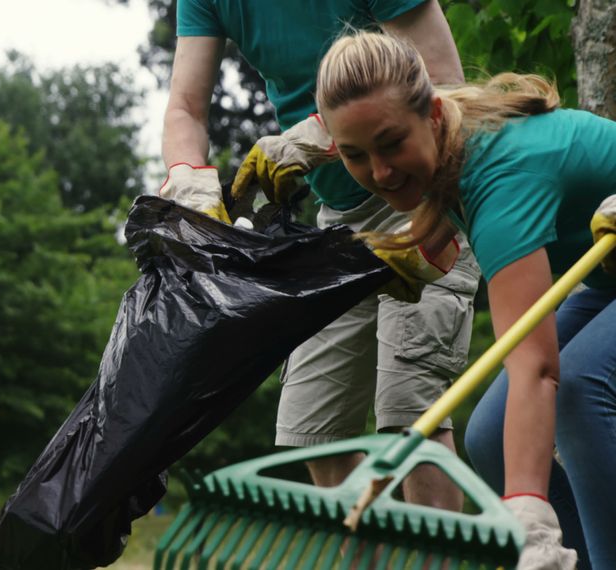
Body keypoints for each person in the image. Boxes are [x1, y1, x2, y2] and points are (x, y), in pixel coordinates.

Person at [159, 0, 481, 513]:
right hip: (337, 220)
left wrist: (318, 134)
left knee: (410, 416)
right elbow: (185, 109)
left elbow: (446, 83)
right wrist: (187, 175)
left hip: (426, 197)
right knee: (313, 432)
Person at [314, 30, 616, 569]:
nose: (380, 173)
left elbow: (537, 368)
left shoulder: (501, 178)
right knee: (489, 434)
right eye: (356, 156)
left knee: (577, 384)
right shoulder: (450, 136)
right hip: (608, 281)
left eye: (390, 143)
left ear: (431, 114)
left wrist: (527, 515)